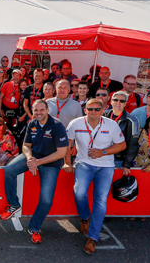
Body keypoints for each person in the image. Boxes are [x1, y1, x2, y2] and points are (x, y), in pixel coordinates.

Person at [62, 98, 126, 254]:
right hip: (84, 164)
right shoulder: (76, 123)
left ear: (103, 110)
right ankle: (85, 217)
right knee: (79, 193)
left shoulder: (111, 124)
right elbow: (67, 144)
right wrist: (67, 163)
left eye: (97, 109)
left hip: (106, 166)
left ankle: (93, 238)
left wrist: (102, 152)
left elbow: (122, 145)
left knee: (100, 200)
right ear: (85, 110)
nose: (94, 112)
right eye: (90, 109)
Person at [1, 99, 68, 244]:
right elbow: (26, 145)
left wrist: (39, 162)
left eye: (41, 110)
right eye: (36, 110)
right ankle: (14, 204)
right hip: (34, 157)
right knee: (9, 170)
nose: (38, 113)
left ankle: (34, 227)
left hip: (51, 163)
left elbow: (62, 152)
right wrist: (30, 159)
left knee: (46, 200)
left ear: (47, 110)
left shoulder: (57, 125)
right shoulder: (32, 123)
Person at [103, 90, 140, 167]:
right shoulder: (102, 115)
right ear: (111, 102)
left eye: (121, 101)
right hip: (101, 156)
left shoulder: (132, 120)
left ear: (125, 104)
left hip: (118, 159)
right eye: (115, 100)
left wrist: (127, 164)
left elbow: (133, 144)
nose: (118, 102)